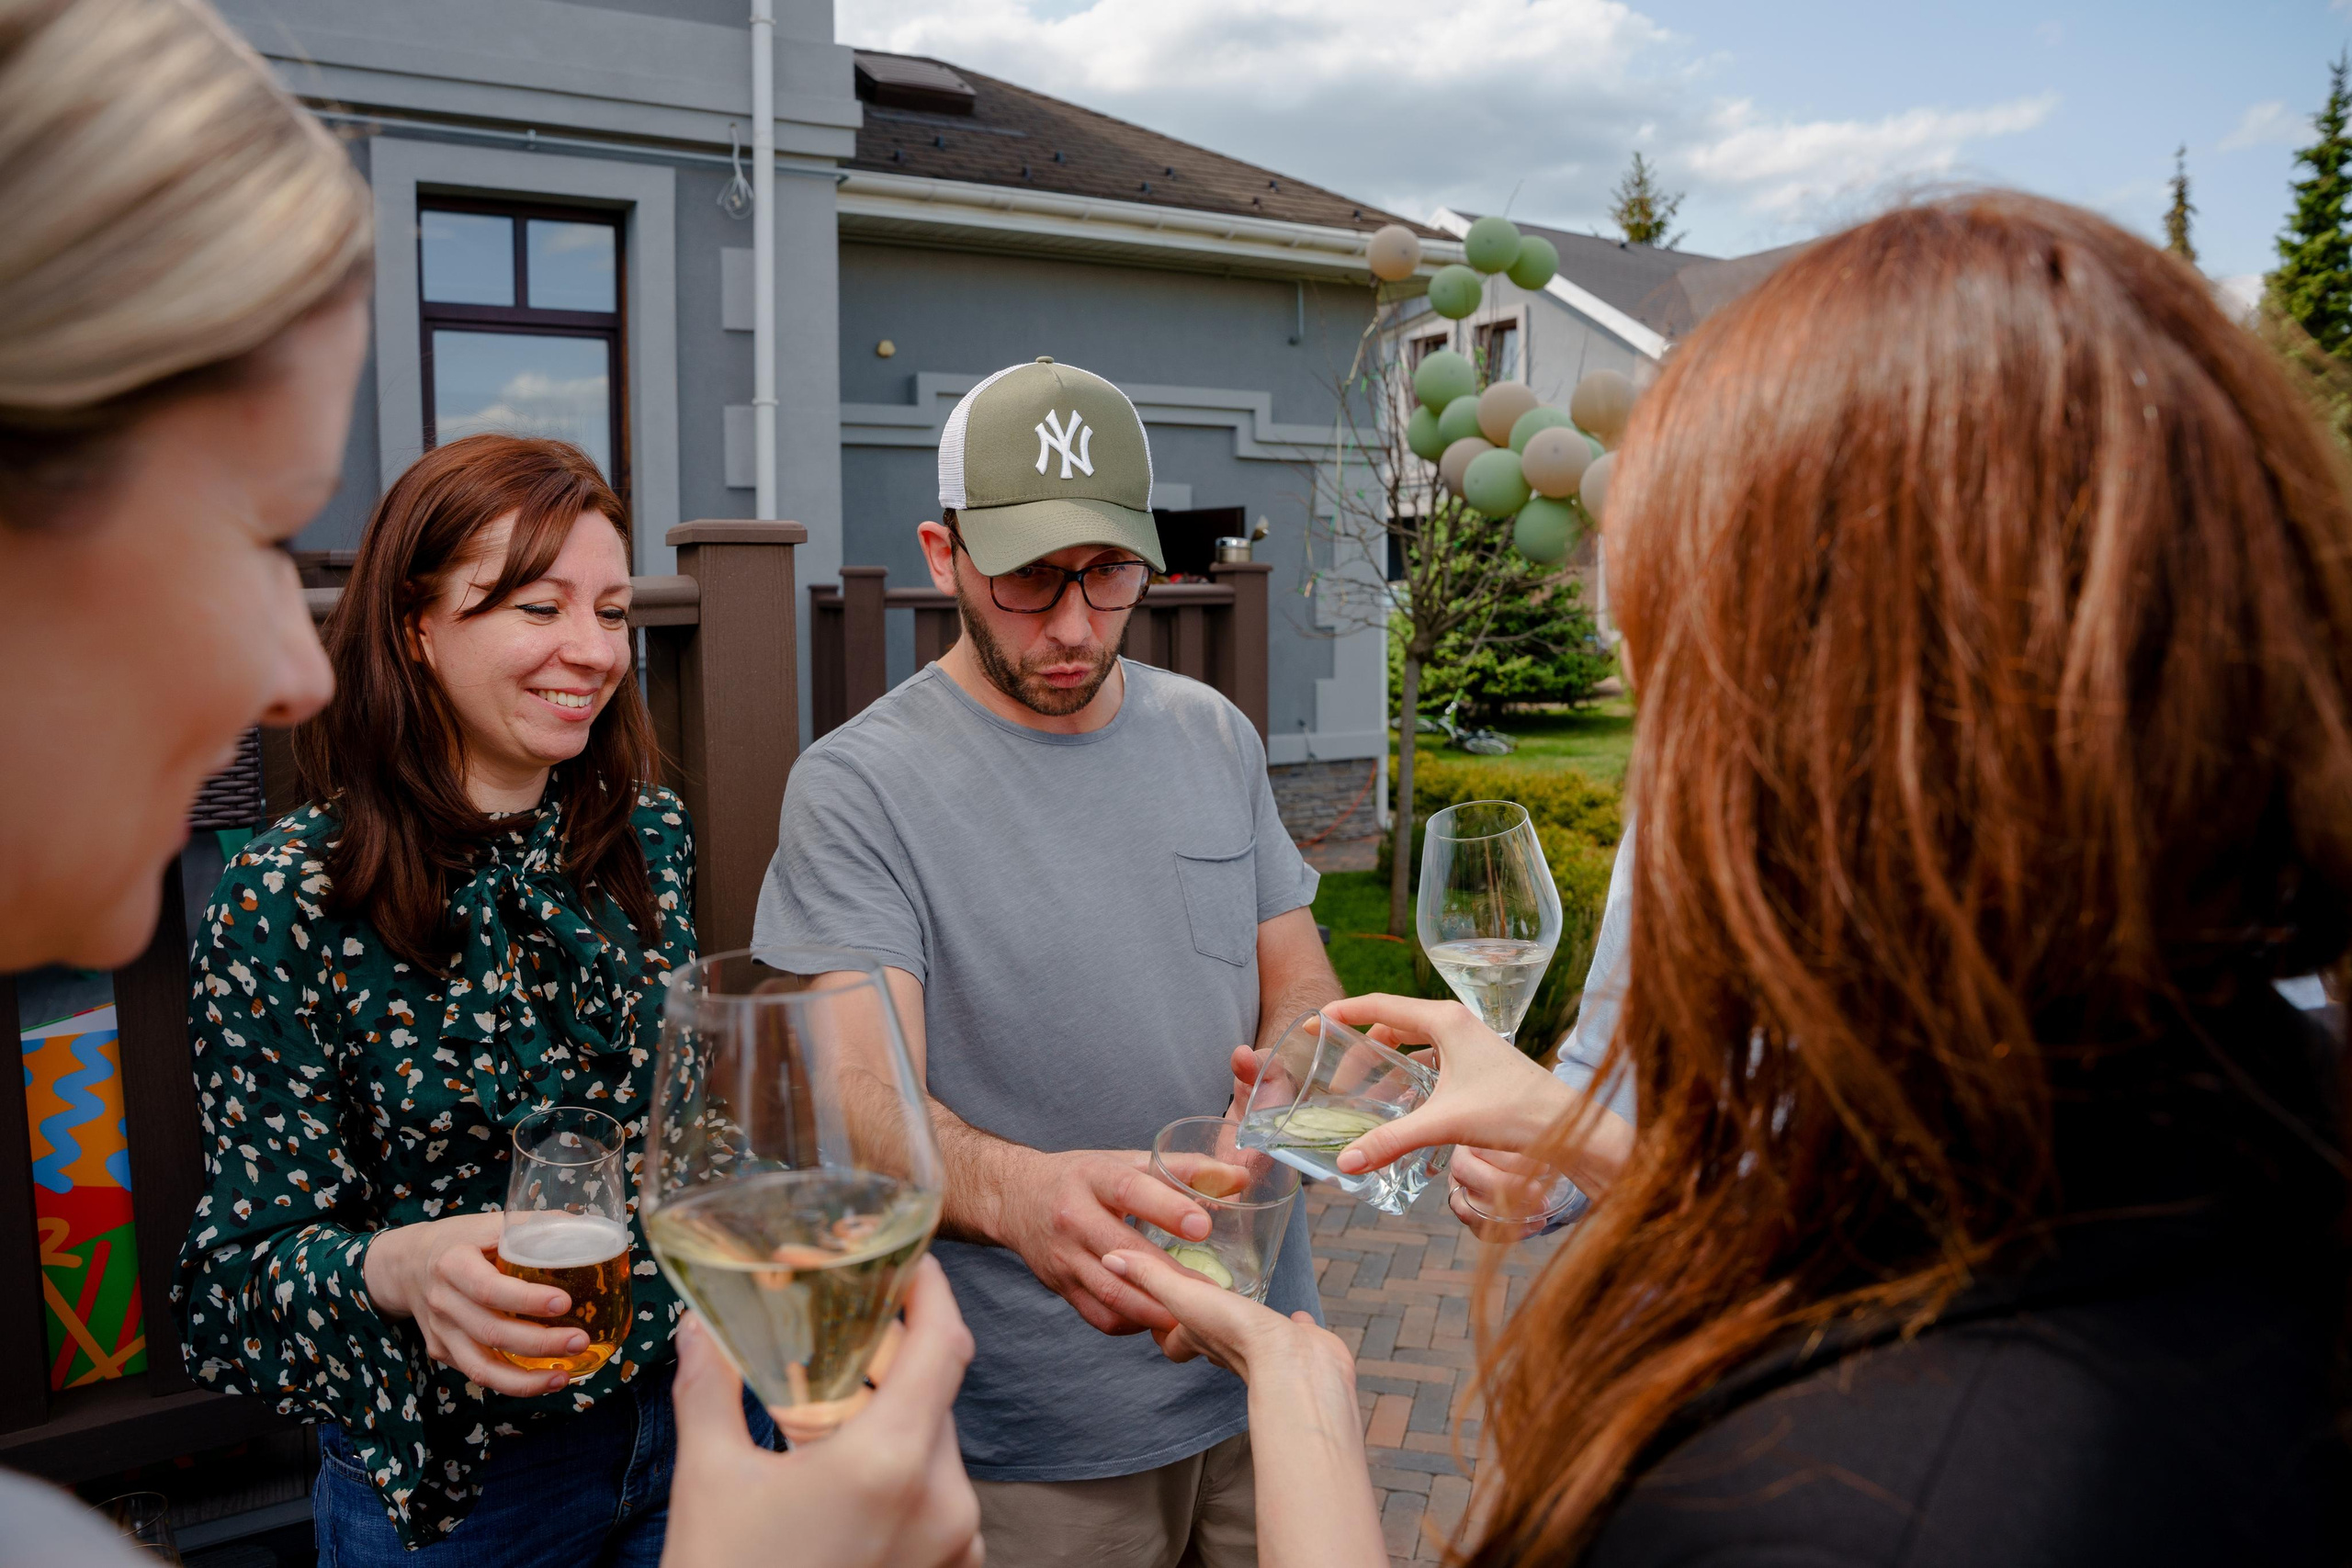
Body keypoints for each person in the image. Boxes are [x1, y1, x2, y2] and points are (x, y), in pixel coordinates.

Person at [1112, 191, 2352, 1565]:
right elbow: (1923, 1228)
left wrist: (1298, 1390)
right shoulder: (2271, 1111)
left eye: (1678, 677)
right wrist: (1579, 1128)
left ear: (1834, 753)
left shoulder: (1815, 1505)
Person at [0, 4, 977, 1564]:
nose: (589, 650)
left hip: (692, 1437)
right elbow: (231, 1288)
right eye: (534, 609)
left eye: (606, 609)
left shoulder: (639, 832)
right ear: (415, 628)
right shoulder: (289, 892)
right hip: (453, 1508)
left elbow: (699, 1160)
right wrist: (398, 1272)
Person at [755, 355, 1344, 1567]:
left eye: (1111, 573)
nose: (1075, 624)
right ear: (942, 553)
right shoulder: (859, 787)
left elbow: (1299, 974)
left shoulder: (1211, 732)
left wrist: (1293, 1075)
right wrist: (1020, 1196)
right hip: (1036, 1436)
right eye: (1031, 579)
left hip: (1266, 1363)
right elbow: (865, 1102)